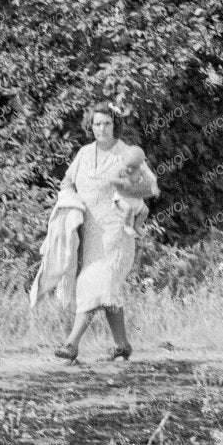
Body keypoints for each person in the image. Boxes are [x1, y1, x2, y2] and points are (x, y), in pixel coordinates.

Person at [53, 102, 159, 364]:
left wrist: (126, 188)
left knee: (95, 281)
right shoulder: (85, 153)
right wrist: (67, 200)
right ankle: (123, 345)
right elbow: (67, 181)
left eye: (107, 123)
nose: (101, 128)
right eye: (97, 123)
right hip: (90, 232)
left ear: (115, 125)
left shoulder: (127, 153)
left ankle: (72, 344)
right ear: (91, 126)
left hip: (118, 230)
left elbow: (152, 188)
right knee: (107, 288)